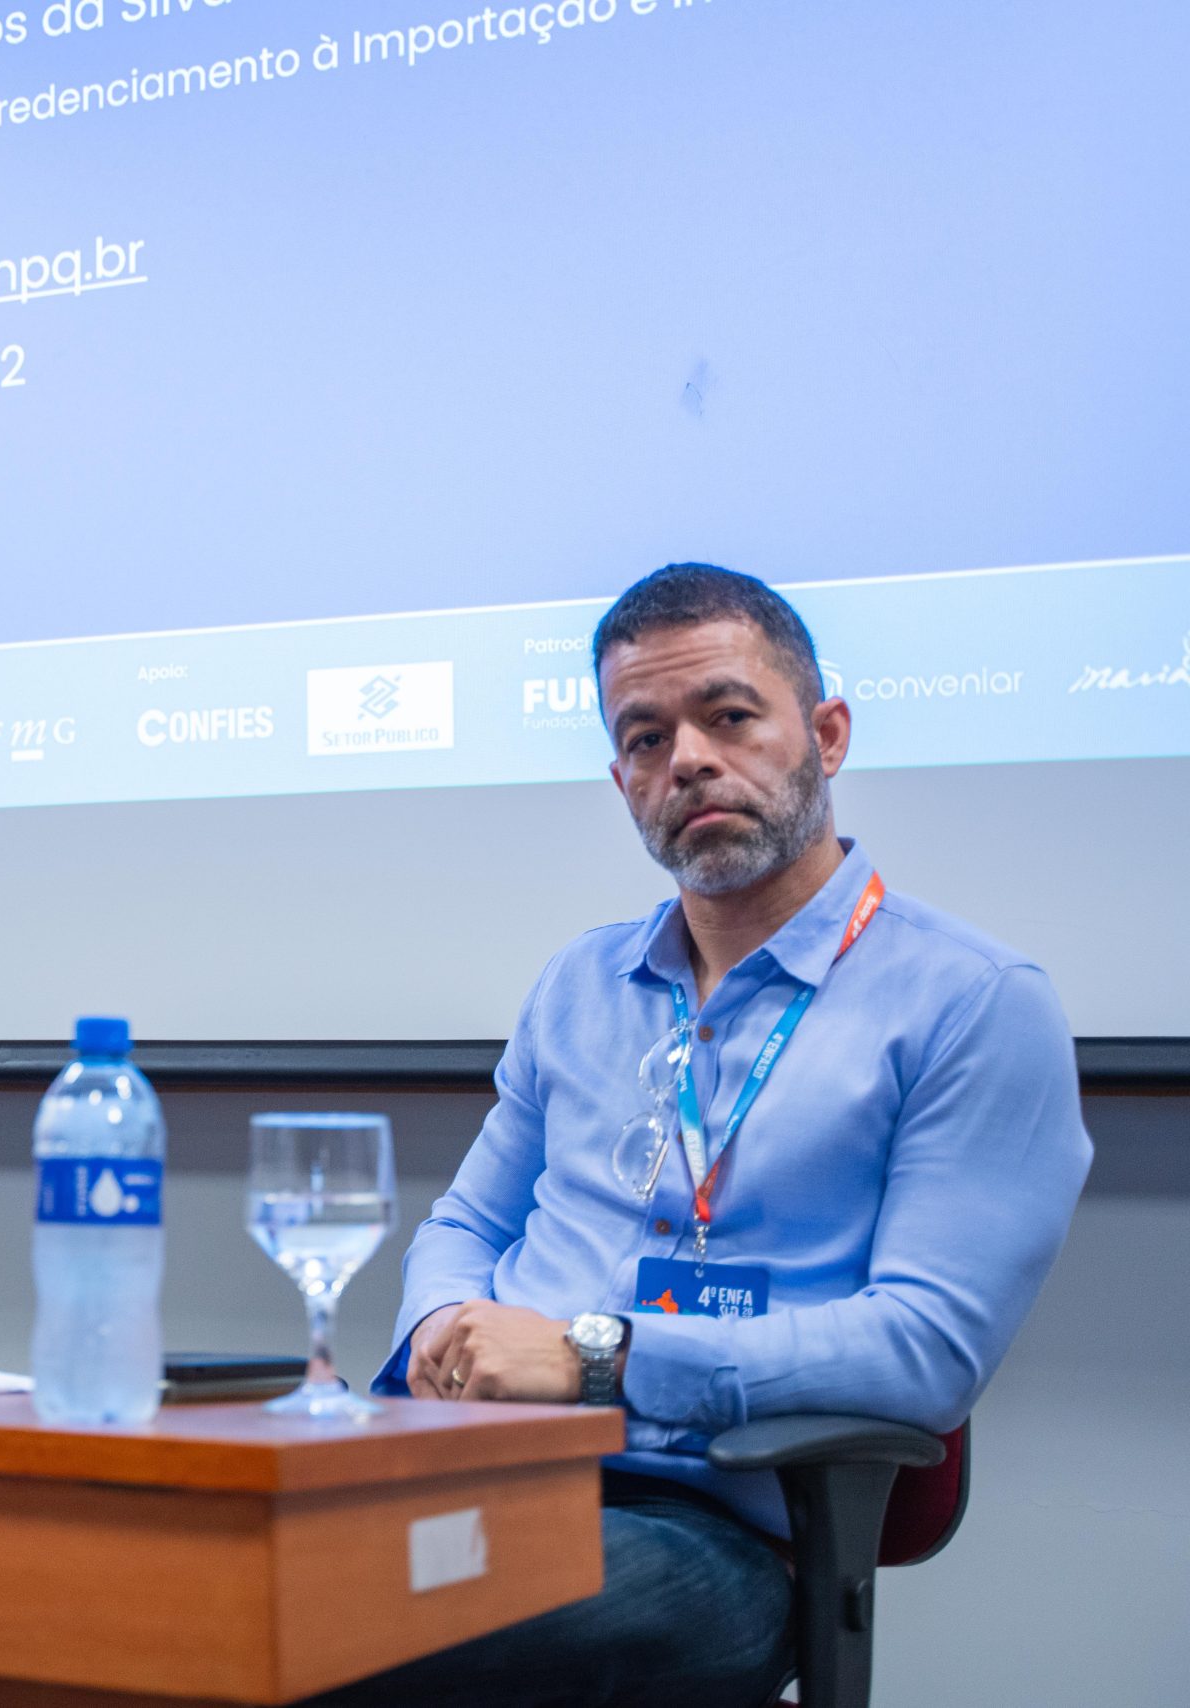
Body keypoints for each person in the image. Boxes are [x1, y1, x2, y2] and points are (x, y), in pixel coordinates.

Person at [325, 564, 1091, 1707]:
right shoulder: (579, 982)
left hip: (707, 1525)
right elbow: (466, 1224)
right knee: (160, 1567)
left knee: (339, 1617)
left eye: (728, 717)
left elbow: (924, 1350)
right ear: (621, 780)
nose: (684, 759)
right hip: (475, 1465)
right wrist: (443, 1327)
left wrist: (593, 1358)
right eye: (644, 738)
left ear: (826, 735)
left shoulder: (973, 1003)